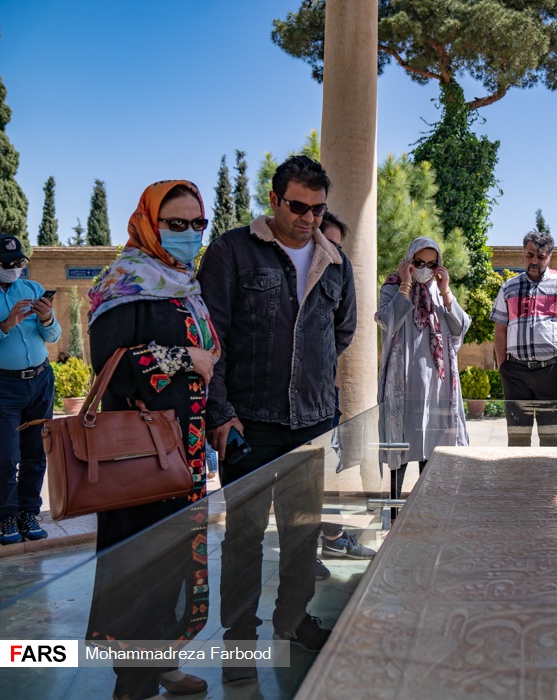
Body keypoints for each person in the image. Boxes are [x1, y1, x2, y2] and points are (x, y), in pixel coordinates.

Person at [198, 155, 357, 681]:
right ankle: (240, 641)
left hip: (310, 424)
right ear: (274, 200)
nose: (308, 218)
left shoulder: (335, 262)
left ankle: (292, 622)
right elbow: (210, 339)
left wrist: (315, 387)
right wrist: (220, 414)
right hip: (248, 423)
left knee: (302, 532)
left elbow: (342, 331)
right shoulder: (231, 252)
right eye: (298, 206)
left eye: (317, 208)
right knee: (242, 536)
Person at [85, 180, 215, 699]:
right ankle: (133, 683)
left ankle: (163, 662)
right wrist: (187, 358)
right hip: (139, 457)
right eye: (175, 224)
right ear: (149, 223)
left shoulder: (184, 282)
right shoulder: (125, 281)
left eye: (196, 225)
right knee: (142, 569)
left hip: (184, 454)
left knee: (175, 562)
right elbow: (110, 368)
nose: (187, 235)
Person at [377, 236, 471, 511]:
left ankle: (427, 510)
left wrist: (446, 291)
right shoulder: (393, 288)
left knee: (431, 446)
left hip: (436, 385)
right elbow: (388, 320)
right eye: (419, 262)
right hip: (403, 383)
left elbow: (459, 327)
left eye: (432, 264)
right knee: (401, 449)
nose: (425, 268)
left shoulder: (439, 293)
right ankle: (394, 514)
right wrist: (406, 284)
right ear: (408, 261)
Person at [492, 231, 557, 447]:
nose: (534, 261)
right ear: (523, 254)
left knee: (551, 439)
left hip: (552, 372)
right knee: (517, 439)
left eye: (541, 256)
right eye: (529, 255)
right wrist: (503, 367)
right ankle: (521, 480)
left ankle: (550, 481)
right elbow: (500, 330)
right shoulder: (509, 287)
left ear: (550, 256)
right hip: (516, 373)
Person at [0, 234, 60, 545]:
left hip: (41, 380)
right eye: (8, 264)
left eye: (19, 262)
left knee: (36, 452)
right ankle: (6, 515)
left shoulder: (32, 288)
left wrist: (47, 316)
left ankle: (28, 512)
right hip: (3, 385)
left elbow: (53, 335)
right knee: (6, 455)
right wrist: (6, 324)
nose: (15, 268)